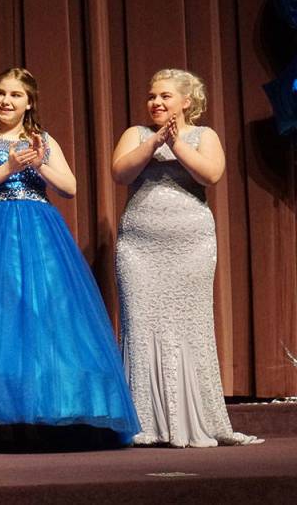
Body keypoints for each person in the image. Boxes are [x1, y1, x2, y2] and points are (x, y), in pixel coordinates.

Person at [0, 68, 138, 445]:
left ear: (28, 102)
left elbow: (70, 187)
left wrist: (38, 164)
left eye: (15, 95)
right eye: (0, 93)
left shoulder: (42, 140)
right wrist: (8, 168)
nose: (6, 101)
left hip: (40, 234)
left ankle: (53, 412)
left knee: (44, 318)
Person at [112, 68, 260, 447]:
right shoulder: (136, 134)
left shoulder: (204, 136)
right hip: (139, 246)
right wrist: (154, 143)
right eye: (152, 96)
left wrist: (177, 145)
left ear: (186, 102)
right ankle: (145, 422)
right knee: (141, 327)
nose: (156, 103)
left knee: (188, 328)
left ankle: (192, 419)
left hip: (190, 244)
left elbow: (211, 174)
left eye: (164, 96)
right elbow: (121, 173)